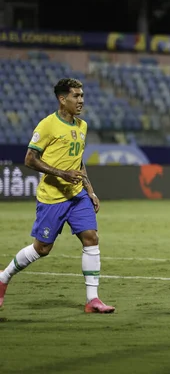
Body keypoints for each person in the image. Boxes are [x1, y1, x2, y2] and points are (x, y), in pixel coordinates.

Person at [0, 78, 114, 313]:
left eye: (82, 96)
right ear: (62, 99)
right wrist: (61, 173)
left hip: (77, 195)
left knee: (91, 237)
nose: (81, 100)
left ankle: (93, 300)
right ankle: (3, 277)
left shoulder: (82, 126)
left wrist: (90, 191)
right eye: (76, 96)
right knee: (42, 249)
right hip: (52, 197)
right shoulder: (47, 125)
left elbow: (79, 161)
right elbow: (29, 159)